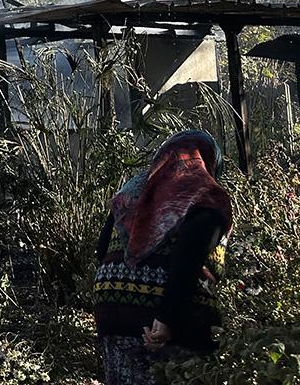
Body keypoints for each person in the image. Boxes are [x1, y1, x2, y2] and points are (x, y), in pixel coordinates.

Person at [93, 130, 232, 385]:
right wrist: (166, 317)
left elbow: (103, 251)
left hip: (113, 310)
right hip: (170, 321)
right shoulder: (205, 196)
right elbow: (189, 256)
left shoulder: (134, 191)